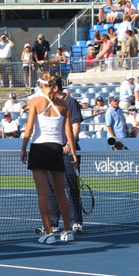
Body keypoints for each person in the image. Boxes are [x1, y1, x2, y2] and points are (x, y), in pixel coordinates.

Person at [21, 71, 78, 244]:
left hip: (39, 149)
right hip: (56, 150)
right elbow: (68, 133)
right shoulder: (63, 104)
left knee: (43, 194)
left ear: (41, 85)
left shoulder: (35, 102)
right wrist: (74, 155)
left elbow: (29, 128)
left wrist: (23, 149)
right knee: (61, 193)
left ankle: (49, 234)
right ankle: (68, 231)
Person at [41, 75, 83, 235]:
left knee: (71, 187)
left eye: (45, 85)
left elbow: (75, 126)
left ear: (55, 87)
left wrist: (68, 145)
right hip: (51, 152)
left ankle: (76, 222)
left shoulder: (70, 102)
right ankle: (53, 223)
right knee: (51, 188)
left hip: (67, 152)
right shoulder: (47, 104)